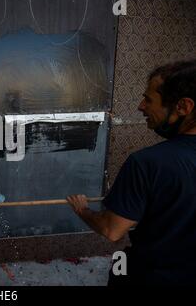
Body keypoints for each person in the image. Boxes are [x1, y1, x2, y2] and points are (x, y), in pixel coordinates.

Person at [67, 60, 196, 285]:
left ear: (183, 107)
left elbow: (111, 230)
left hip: (152, 275)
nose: (140, 106)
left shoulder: (147, 163)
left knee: (120, 267)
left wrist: (82, 210)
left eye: (148, 99)